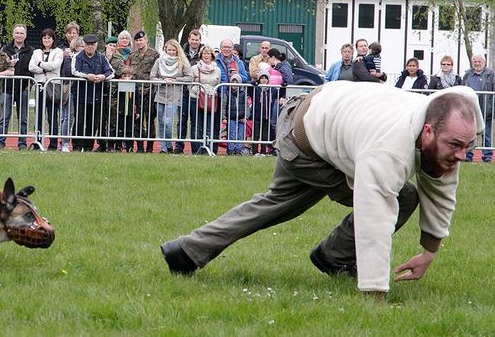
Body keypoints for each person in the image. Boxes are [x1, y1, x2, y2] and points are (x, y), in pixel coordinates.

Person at [161, 82, 483, 299]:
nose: (460, 155)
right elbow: (375, 219)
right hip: (305, 141)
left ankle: (185, 251)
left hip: (317, 114)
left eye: (466, 147)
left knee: (271, 204)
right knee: (403, 197)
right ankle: (333, 256)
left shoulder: (436, 120)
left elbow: (442, 188)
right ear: (428, 131)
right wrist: (375, 294)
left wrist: (429, 251)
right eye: (454, 145)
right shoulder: (389, 149)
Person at [71, 34, 114, 152]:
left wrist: (103, 76)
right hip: (80, 94)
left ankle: (88, 146)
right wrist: (87, 76)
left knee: (93, 122)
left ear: (96, 45)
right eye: (88, 45)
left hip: (96, 96)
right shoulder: (77, 57)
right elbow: (74, 71)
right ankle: (77, 146)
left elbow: (111, 72)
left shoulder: (101, 58)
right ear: (84, 45)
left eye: (92, 45)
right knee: (79, 121)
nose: (90, 47)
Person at [151, 39, 193, 154]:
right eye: (169, 49)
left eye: (173, 50)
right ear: (165, 49)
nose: (171, 52)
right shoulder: (159, 61)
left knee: (168, 121)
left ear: (177, 50)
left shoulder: (183, 62)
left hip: (175, 95)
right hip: (160, 94)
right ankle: (164, 148)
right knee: (160, 121)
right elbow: (152, 77)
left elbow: (190, 77)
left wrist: (175, 80)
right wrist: (163, 81)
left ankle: (169, 144)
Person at [0, 24, 34, 150]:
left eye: (22, 33)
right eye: (17, 33)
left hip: (23, 89)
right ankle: (0, 142)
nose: (19, 35)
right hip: (7, 88)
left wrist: (30, 84)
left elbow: (32, 70)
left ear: (25, 35)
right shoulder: (5, 49)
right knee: (4, 117)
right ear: (13, 34)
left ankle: (22, 143)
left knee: (23, 118)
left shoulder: (31, 51)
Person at [29, 29, 64, 151]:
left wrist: (40, 63)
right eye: (44, 38)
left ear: (53, 39)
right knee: (39, 115)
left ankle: (53, 144)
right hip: (39, 86)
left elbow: (55, 65)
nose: (47, 40)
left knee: (52, 116)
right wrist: (44, 69)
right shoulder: (36, 52)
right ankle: (37, 142)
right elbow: (31, 66)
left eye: (49, 38)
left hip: (53, 86)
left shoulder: (58, 51)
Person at [130, 30, 160, 153]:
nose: (139, 42)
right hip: (137, 92)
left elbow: (158, 72)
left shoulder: (154, 55)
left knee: (150, 120)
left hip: (150, 92)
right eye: (137, 40)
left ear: (146, 40)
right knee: (137, 119)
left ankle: (150, 147)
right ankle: (140, 146)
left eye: (141, 40)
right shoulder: (133, 56)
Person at [174, 29, 203, 154]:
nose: (194, 42)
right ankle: (179, 147)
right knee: (182, 119)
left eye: (197, 40)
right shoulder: (181, 52)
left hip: (196, 93)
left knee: (196, 121)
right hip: (183, 91)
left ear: (200, 41)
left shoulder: (203, 53)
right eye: (192, 39)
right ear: (188, 39)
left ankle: (195, 148)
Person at [188, 45, 221, 155]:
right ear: (201, 55)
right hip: (196, 98)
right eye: (204, 53)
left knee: (209, 125)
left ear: (212, 55)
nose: (206, 55)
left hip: (211, 99)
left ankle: (208, 148)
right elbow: (190, 83)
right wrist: (195, 91)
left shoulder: (217, 70)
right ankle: (196, 149)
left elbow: (218, 83)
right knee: (196, 125)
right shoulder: (194, 68)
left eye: (208, 53)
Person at [462, 54, 494, 163]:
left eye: (479, 61)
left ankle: (487, 157)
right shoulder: (467, 75)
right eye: (475, 61)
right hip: (470, 111)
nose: (477, 63)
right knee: (470, 134)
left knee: (487, 134)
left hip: (486, 110)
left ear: (484, 62)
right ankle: (468, 155)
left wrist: (492, 108)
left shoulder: (491, 75)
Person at [59, 37, 84, 153]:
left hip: (80, 91)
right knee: (67, 117)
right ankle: (64, 143)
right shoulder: (69, 58)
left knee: (72, 117)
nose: (83, 49)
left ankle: (75, 143)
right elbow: (69, 72)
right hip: (69, 90)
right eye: (81, 46)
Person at [222, 69, 250, 156]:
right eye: (233, 82)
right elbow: (224, 105)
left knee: (241, 134)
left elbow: (247, 106)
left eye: (236, 82)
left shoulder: (243, 93)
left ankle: (238, 149)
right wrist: (224, 117)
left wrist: (246, 116)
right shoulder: (227, 93)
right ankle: (230, 150)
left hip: (241, 117)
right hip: (231, 117)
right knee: (232, 134)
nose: (234, 84)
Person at [251, 70, 278, 156]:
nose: (263, 80)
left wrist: (284, 85)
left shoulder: (272, 90)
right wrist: (254, 83)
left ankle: (263, 151)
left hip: (266, 116)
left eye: (265, 78)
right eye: (262, 78)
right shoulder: (256, 89)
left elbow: (280, 93)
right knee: (256, 134)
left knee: (264, 135)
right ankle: (255, 151)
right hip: (257, 116)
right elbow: (249, 87)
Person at [115, 66, 136, 152]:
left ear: (132, 76)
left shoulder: (135, 85)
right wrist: (120, 87)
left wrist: (137, 111)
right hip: (121, 111)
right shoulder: (120, 84)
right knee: (120, 129)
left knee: (130, 130)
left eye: (129, 75)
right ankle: (119, 146)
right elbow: (115, 95)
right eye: (125, 75)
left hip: (131, 112)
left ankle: (129, 147)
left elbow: (137, 99)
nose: (127, 77)